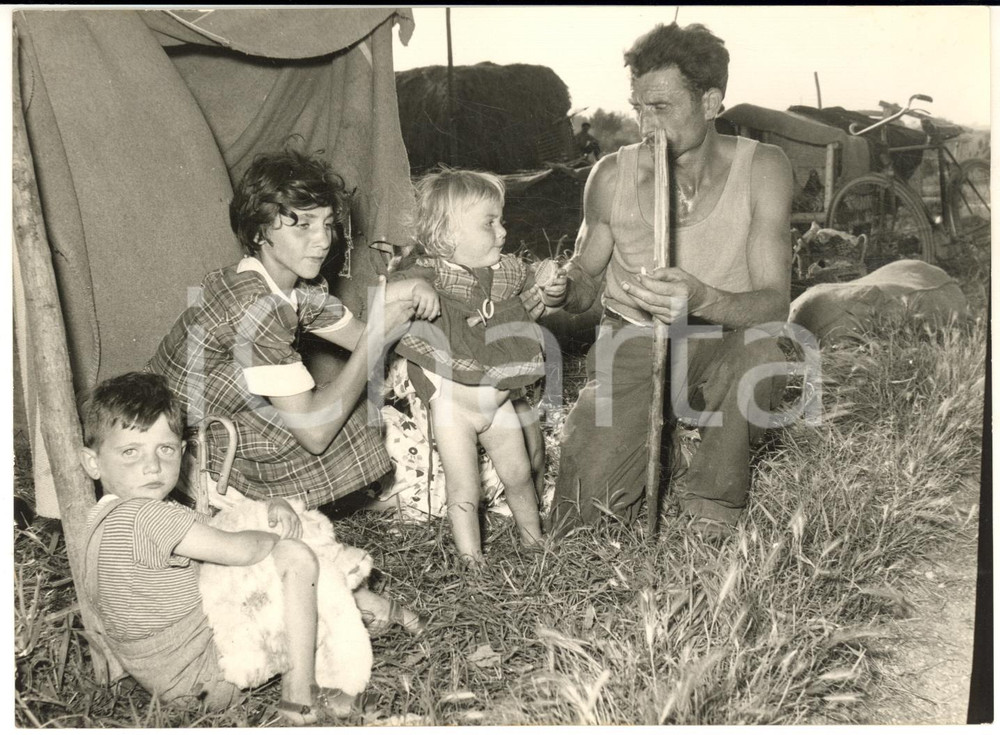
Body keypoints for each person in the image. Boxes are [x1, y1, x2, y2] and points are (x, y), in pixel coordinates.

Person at [147, 147, 430, 632]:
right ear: (259, 231)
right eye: (302, 226)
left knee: (350, 399)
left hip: (218, 426)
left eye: (327, 224)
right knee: (337, 411)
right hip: (187, 459)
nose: (322, 241)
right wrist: (379, 337)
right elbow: (317, 431)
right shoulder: (254, 306)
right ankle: (339, 583)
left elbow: (363, 333)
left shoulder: (286, 288)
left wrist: (411, 287)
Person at [547, 22, 793, 537]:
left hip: (723, 339)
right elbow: (587, 280)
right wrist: (563, 288)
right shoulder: (612, 176)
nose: (645, 125)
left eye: (661, 108)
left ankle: (711, 503)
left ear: (711, 102)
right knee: (584, 523)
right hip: (634, 340)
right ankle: (659, 443)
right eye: (639, 108)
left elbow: (774, 305)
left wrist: (701, 297)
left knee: (761, 353)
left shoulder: (764, 168)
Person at [79, 372, 356, 724]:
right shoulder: (145, 515)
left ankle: (362, 609)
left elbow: (215, 528)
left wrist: (268, 506)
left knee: (263, 554)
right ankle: (300, 696)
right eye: (130, 452)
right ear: (92, 462)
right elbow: (242, 550)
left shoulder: (102, 517)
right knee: (296, 557)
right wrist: (279, 537)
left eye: (164, 450)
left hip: (162, 678)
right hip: (209, 676)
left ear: (181, 452)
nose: (152, 466)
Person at [387, 169, 566, 567]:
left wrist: (551, 280)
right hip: (456, 410)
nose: (502, 232)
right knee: (463, 488)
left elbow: (534, 274)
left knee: (519, 475)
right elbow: (391, 288)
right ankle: (472, 562)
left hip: (498, 404)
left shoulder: (502, 271)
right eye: (489, 223)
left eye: (500, 221)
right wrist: (416, 290)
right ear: (447, 236)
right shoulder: (429, 271)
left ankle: (534, 542)